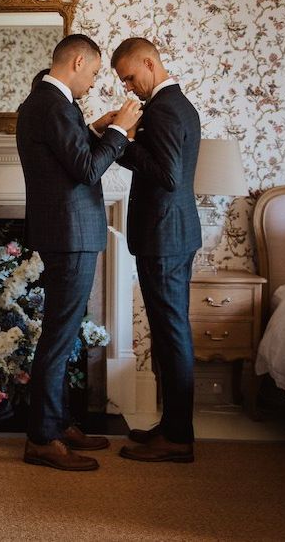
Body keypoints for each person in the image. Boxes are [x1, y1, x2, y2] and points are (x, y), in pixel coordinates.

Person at [16, 34, 141, 471]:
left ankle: (59, 421)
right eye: (91, 73)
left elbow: (65, 154)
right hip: (69, 234)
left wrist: (94, 129)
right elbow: (86, 169)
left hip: (68, 232)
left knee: (64, 334)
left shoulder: (47, 104)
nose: (91, 83)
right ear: (78, 60)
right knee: (58, 336)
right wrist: (121, 132)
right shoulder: (51, 102)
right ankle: (43, 438)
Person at [111, 37, 201, 463]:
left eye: (130, 77)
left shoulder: (164, 109)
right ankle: (172, 427)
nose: (129, 87)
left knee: (171, 334)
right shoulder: (175, 104)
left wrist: (122, 144)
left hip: (165, 237)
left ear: (149, 62)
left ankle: (178, 437)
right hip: (171, 234)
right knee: (171, 333)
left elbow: (166, 174)